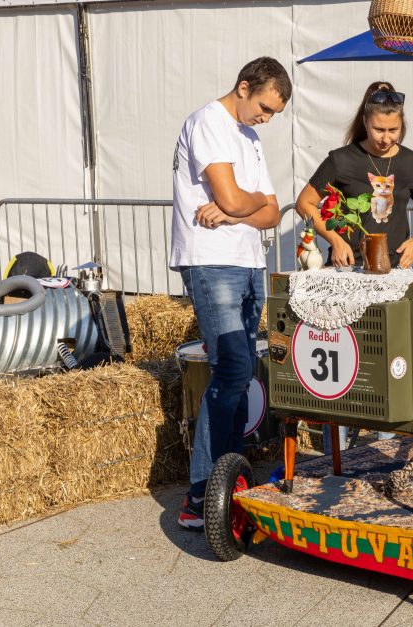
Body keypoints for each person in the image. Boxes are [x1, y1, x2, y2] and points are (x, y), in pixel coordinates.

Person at [169, 57, 291, 530]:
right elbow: (240, 199)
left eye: (274, 113)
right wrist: (248, 204)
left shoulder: (250, 137)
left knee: (241, 372)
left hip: (246, 260)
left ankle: (229, 478)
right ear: (244, 87)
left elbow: (271, 213)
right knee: (233, 367)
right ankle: (200, 493)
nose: (267, 118)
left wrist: (243, 208)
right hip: (211, 259)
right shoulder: (208, 123)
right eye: (264, 107)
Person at [295, 81, 413, 269]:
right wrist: (335, 240)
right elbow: (304, 203)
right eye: (379, 130)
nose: (386, 139)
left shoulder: (410, 161)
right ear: (365, 122)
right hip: (348, 267)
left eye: (393, 130)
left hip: (395, 268)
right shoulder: (341, 160)